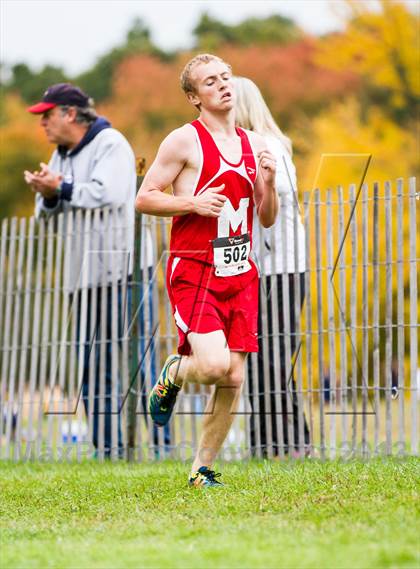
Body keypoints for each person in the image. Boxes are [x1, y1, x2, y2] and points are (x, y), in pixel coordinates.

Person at [135, 53, 278, 487]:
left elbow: (266, 218)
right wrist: (190, 203)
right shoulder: (184, 141)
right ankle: (174, 371)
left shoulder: (255, 144)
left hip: (240, 271)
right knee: (213, 365)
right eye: (210, 81)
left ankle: (201, 469)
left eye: (226, 77)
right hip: (195, 267)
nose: (222, 85)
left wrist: (268, 185)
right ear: (193, 97)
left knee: (234, 375)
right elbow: (144, 197)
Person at [24, 83, 136, 459]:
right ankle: (107, 449)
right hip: (82, 277)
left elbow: (109, 193)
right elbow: (46, 216)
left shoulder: (110, 143)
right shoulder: (59, 155)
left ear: (70, 114)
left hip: (121, 271)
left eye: (47, 115)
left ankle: (156, 447)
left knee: (132, 363)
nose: (43, 124)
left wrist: (61, 187)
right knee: (90, 367)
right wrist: (51, 191)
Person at [234, 76, 311, 458]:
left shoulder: (270, 147)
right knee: (260, 355)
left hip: (281, 267)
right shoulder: (240, 147)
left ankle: (285, 443)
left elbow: (276, 194)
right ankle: (274, 442)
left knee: (275, 356)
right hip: (257, 267)